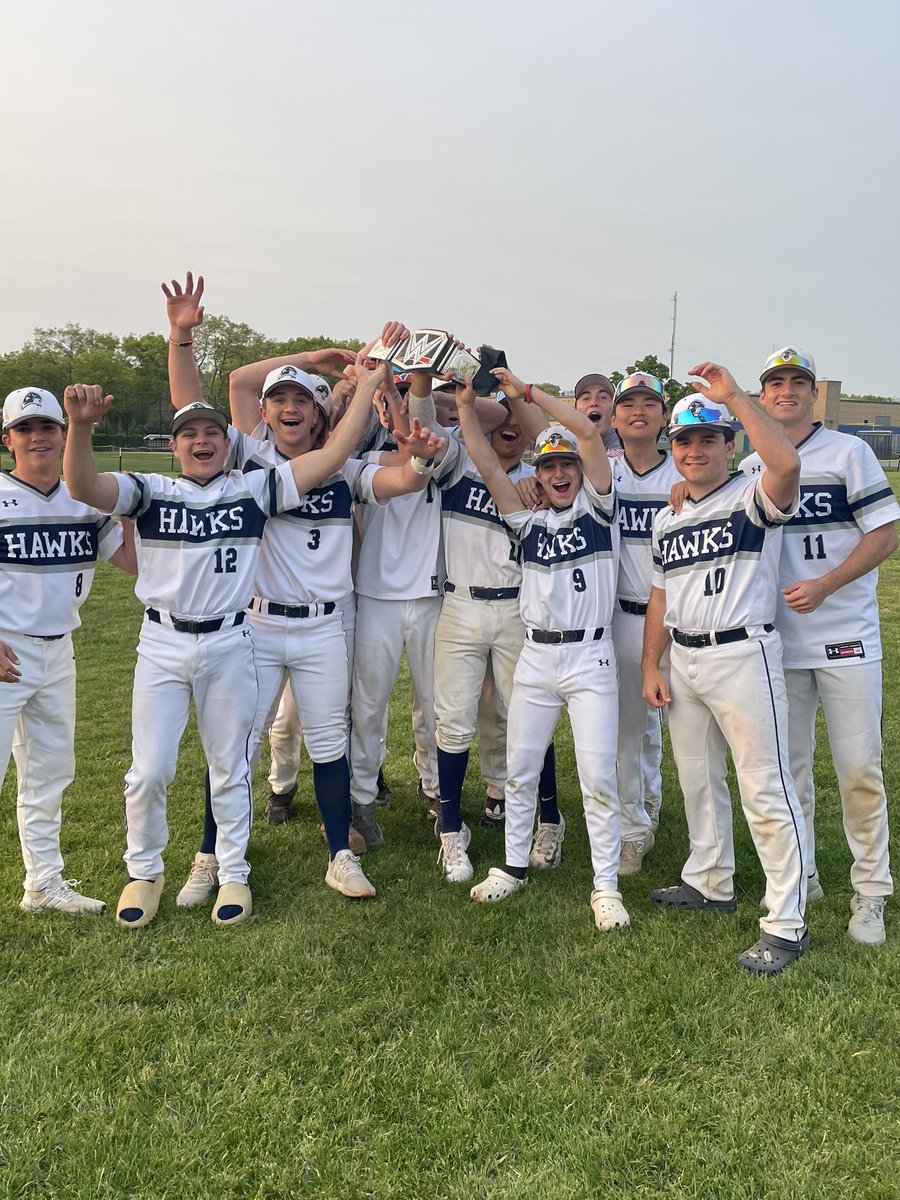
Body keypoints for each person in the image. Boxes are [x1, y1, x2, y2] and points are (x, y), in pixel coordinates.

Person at [61, 354, 411, 928]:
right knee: (194, 759)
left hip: (288, 628)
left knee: (300, 745)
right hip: (217, 631)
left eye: (211, 433)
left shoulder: (264, 486)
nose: (201, 442)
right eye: (188, 434)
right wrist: (85, 423)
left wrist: (375, 388)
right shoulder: (190, 482)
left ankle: (312, 856)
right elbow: (86, 484)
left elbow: (338, 456)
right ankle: (183, 863)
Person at [162, 277, 442, 905]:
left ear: (320, 413)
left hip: (325, 623)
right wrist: (182, 336)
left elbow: (399, 481)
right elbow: (193, 403)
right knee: (237, 740)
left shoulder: (344, 466)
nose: (289, 408)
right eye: (277, 399)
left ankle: (340, 852)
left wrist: (423, 458)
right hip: (256, 624)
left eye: (301, 400)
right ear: (264, 412)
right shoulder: (248, 459)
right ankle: (211, 853)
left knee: (328, 739)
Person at [642, 365, 809, 975]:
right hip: (684, 656)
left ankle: (786, 920)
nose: (692, 449)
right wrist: (650, 663)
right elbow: (660, 596)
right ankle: (710, 881)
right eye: (683, 441)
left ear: (729, 444)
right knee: (696, 778)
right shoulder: (669, 516)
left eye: (707, 438)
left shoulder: (750, 492)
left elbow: (786, 466)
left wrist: (735, 397)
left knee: (764, 787)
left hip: (743, 652)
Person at [459, 371, 628, 932]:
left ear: (581, 471)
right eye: (549, 466)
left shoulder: (601, 510)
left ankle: (605, 885)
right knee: (520, 768)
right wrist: (464, 404)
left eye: (567, 466)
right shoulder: (527, 519)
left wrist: (526, 393)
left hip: (589, 658)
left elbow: (586, 432)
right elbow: (485, 464)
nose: (558, 474)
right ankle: (512, 865)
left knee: (597, 775)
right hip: (536, 656)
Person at [743, 346, 899, 945]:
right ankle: (801, 875)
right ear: (763, 394)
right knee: (790, 770)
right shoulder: (751, 460)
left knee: (860, 769)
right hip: (776, 641)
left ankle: (871, 892)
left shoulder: (849, 451)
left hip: (844, 637)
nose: (786, 390)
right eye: (775, 382)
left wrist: (827, 585)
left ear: (813, 393)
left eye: (797, 382)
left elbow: (885, 534)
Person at [409, 378, 560, 882]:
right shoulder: (459, 462)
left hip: (519, 609)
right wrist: (426, 385)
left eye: (519, 423)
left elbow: (554, 433)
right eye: (502, 421)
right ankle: (452, 829)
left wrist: (520, 397)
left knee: (527, 716)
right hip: (461, 603)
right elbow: (429, 424)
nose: (511, 428)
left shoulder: (548, 480)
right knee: (451, 722)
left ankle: (549, 818)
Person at [1, 386, 134, 915]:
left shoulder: (83, 498)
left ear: (63, 434)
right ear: (8, 439)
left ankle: (43, 884)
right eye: (25, 429)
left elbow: (132, 562)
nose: (38, 437)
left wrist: (133, 505)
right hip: (6, 650)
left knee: (49, 773)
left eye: (48, 427)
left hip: (59, 652)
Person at [609, 372, 682, 872]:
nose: (638, 411)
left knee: (678, 723)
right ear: (614, 418)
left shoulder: (686, 470)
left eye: (649, 403)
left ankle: (650, 802)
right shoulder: (603, 470)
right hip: (621, 614)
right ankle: (633, 826)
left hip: (681, 617)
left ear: (664, 415)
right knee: (628, 728)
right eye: (627, 403)